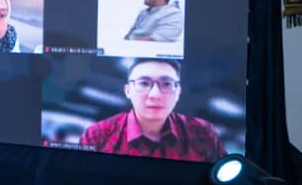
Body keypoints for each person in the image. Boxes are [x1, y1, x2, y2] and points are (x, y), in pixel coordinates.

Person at [80, 59, 225, 160]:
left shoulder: (202, 132)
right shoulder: (98, 135)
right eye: (144, 83)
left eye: (166, 84)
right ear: (128, 91)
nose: (155, 95)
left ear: (179, 92)